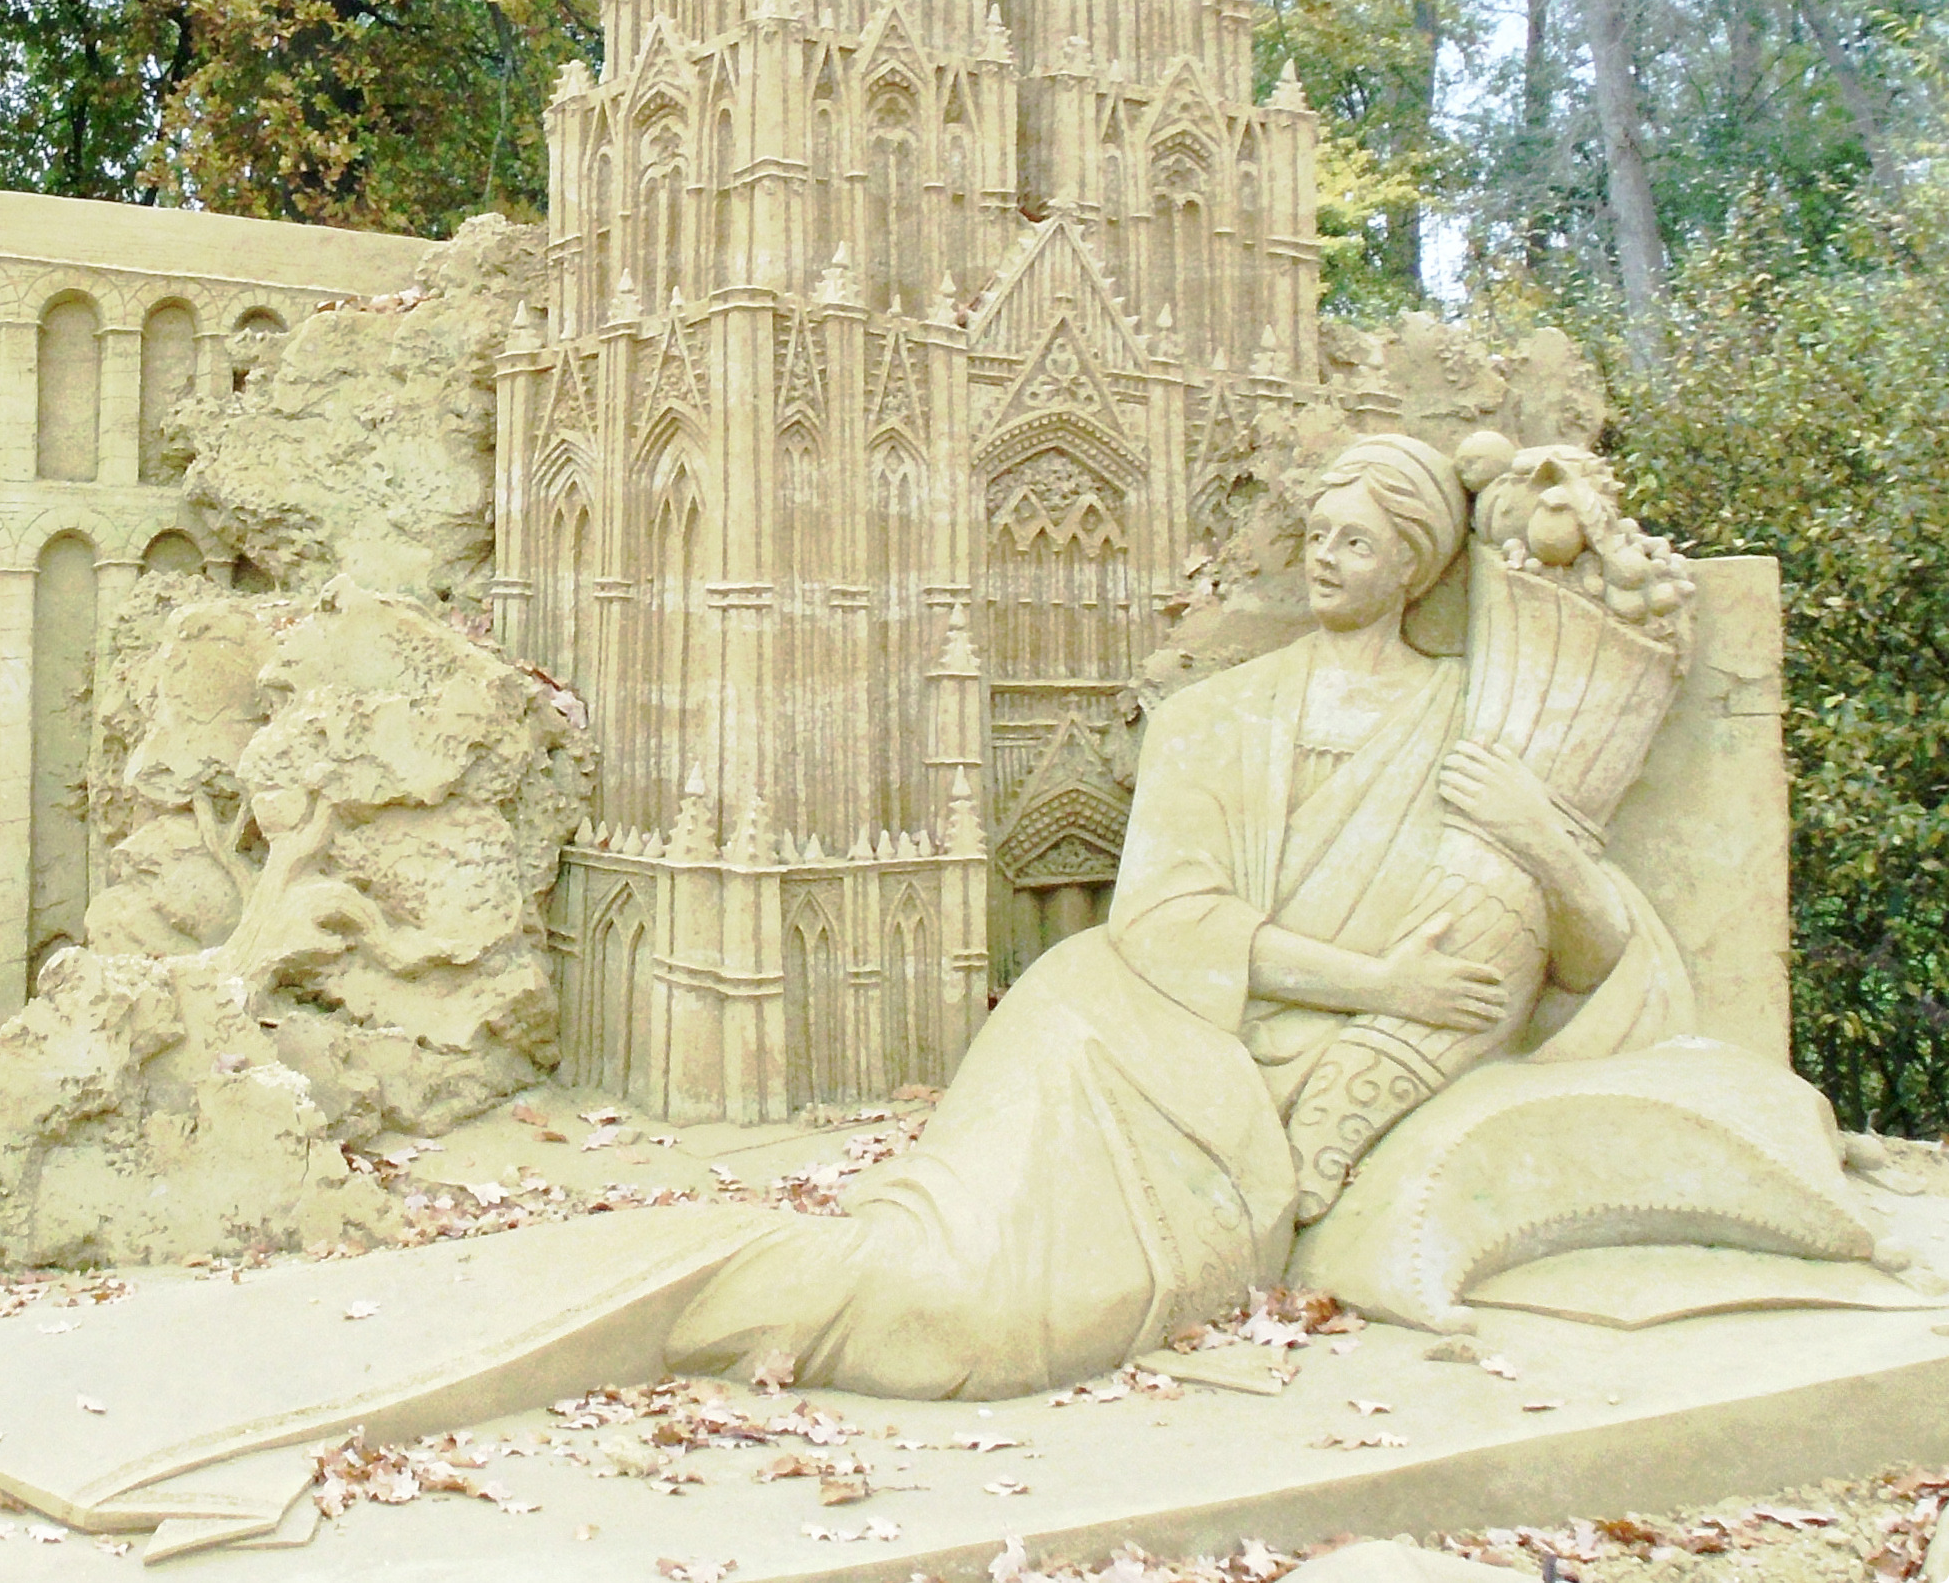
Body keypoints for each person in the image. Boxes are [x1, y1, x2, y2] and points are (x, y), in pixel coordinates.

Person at [668, 433, 1680, 1401]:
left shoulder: (1478, 727)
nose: (1325, 559)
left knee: (993, 1310)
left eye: (1357, 542)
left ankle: (780, 1299)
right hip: (1118, 1019)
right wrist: (1381, 984)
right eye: (1318, 534)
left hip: (1251, 1093)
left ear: (1414, 568)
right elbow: (1167, 920)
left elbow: (1599, 962)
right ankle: (754, 1279)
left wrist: (1539, 836)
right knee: (935, 1243)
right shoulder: (1212, 715)